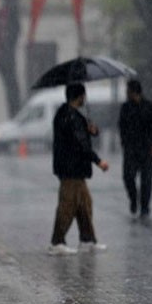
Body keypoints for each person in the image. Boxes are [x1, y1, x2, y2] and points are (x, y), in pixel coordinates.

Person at [49, 83, 109, 255]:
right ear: (79, 96)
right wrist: (98, 161)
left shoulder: (69, 115)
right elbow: (81, 144)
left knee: (84, 204)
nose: (85, 98)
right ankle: (56, 242)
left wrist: (92, 130)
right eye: (84, 95)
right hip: (70, 169)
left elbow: (85, 134)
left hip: (74, 169)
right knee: (67, 206)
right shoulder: (70, 116)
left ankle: (87, 239)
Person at [118, 79, 152, 218]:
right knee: (128, 177)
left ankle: (145, 207)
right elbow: (122, 127)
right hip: (131, 149)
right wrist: (124, 143)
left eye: (128, 91)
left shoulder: (151, 107)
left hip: (147, 149)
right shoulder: (126, 108)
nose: (126, 93)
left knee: (146, 180)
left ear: (133, 92)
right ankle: (134, 199)